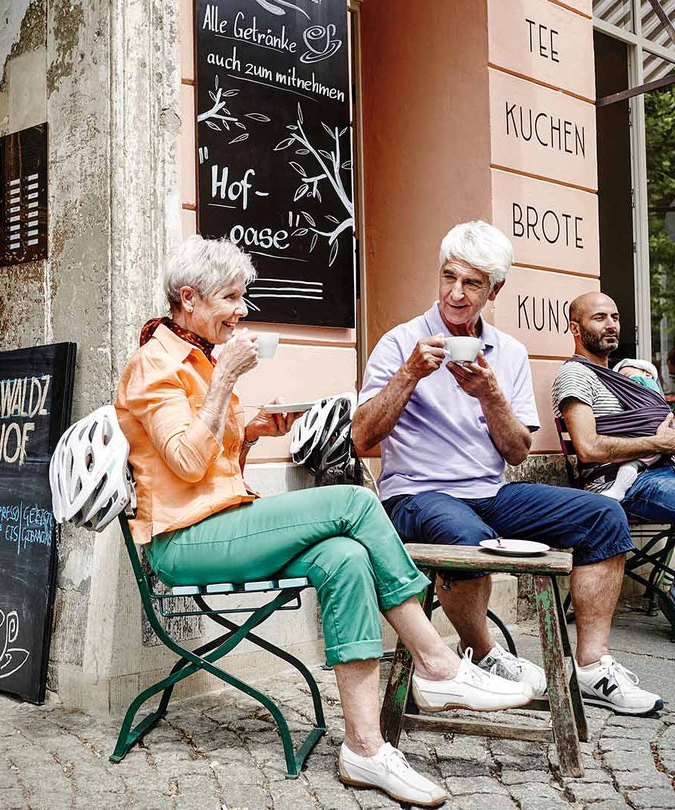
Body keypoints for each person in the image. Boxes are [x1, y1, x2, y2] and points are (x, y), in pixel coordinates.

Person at [115, 235, 533, 807]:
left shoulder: (202, 356)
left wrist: (254, 430)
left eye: (244, 296)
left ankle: (364, 748)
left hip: (228, 523)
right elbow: (185, 465)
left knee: (346, 556)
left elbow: (212, 459)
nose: (243, 311)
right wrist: (224, 383)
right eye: (232, 298)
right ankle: (436, 662)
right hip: (183, 541)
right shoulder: (153, 364)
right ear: (189, 298)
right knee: (354, 502)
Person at [353, 222, 663, 716]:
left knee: (605, 516)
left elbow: (518, 452)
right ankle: (482, 651)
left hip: (491, 491)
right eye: (448, 277)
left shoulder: (510, 353)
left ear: (494, 289)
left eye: (472, 283)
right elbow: (363, 437)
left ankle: (591, 666)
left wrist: (490, 394)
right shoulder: (400, 343)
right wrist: (409, 374)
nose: (455, 293)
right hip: (415, 494)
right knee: (465, 532)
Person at [552, 291, 675, 635]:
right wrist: (657, 441)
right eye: (600, 318)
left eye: (615, 317)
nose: (611, 325)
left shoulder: (627, 375)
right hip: (621, 483)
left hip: (658, 467)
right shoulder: (576, 376)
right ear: (576, 328)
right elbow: (588, 448)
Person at [600, 358, 664, 500]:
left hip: (653, 436)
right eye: (620, 379)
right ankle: (618, 489)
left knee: (630, 464)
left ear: (647, 374)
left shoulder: (645, 383)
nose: (625, 381)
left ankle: (618, 489)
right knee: (632, 464)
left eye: (627, 376)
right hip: (654, 444)